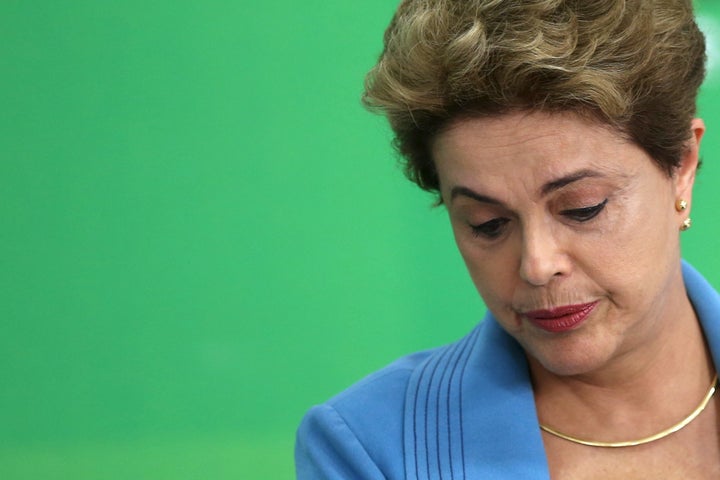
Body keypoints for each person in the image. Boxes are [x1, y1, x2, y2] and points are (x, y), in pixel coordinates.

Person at [296, 0, 720, 478]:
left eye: (583, 208)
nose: (536, 265)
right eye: (487, 223)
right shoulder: (373, 447)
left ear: (681, 168)